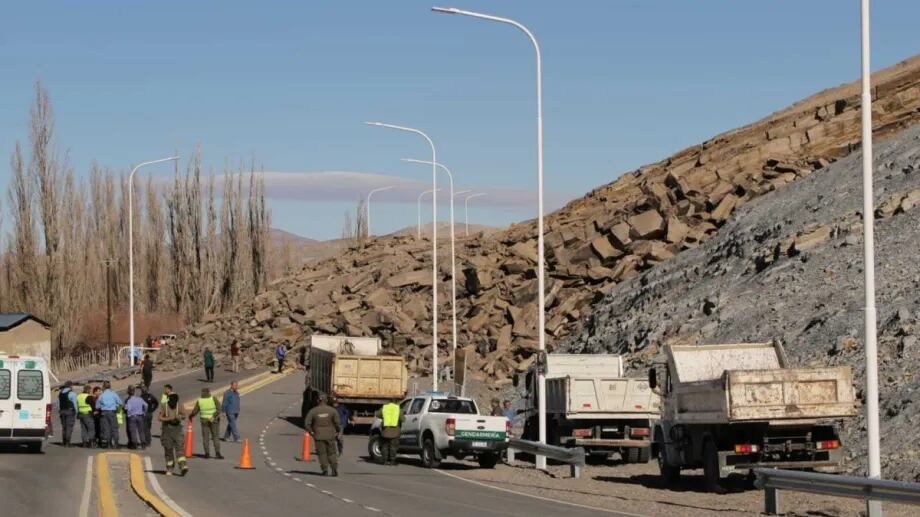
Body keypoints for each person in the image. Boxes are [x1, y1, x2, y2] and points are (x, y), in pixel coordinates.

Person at [304, 394, 341, 476]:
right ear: (326, 401)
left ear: (318, 401)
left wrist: (311, 432)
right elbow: (338, 423)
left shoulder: (313, 411)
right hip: (330, 435)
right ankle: (334, 468)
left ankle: (325, 470)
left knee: (322, 453)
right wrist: (338, 432)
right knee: (332, 453)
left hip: (318, 435)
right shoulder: (332, 411)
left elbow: (307, 423)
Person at [158, 393, 189, 476]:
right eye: (172, 402)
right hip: (167, 429)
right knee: (168, 450)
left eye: (175, 402)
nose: (173, 404)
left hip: (177, 429)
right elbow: (159, 418)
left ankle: (183, 466)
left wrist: (180, 417)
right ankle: (169, 468)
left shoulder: (180, 406)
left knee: (179, 449)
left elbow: (184, 415)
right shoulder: (164, 406)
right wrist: (168, 418)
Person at [188, 387, 223, 459]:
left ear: (202, 393)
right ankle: (217, 453)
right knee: (215, 437)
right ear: (209, 392)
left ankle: (207, 454)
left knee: (205, 438)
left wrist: (191, 416)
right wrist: (213, 416)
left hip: (204, 421)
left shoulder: (200, 401)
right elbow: (219, 409)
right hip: (213, 420)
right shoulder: (213, 399)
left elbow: (195, 411)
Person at [97, 381, 123, 449]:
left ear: (103, 387)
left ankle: (108, 444)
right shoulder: (113, 394)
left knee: (106, 429)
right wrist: (116, 407)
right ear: (110, 386)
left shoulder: (101, 395)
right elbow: (120, 403)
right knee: (114, 428)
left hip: (104, 413)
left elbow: (97, 406)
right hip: (112, 412)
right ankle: (116, 444)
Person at [377, 398, 402, 466]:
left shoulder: (385, 407)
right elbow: (402, 419)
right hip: (395, 431)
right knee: (393, 446)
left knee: (385, 446)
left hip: (385, 430)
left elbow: (378, 414)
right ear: (396, 402)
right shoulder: (397, 408)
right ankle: (392, 461)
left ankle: (384, 461)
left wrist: (384, 416)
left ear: (389, 402)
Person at [125, 386, 148, 450]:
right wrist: (144, 412)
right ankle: (143, 444)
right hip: (140, 416)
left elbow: (128, 409)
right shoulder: (139, 399)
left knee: (133, 431)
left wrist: (128, 415)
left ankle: (135, 444)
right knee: (141, 431)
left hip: (132, 417)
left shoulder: (129, 401)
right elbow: (146, 405)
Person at [58, 381, 78, 447]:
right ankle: (67, 442)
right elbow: (75, 404)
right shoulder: (72, 393)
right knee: (69, 427)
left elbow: (58, 404)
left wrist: (59, 410)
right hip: (69, 411)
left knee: (64, 427)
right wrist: (77, 412)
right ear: (70, 386)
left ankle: (64, 441)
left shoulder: (60, 393)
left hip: (62, 411)